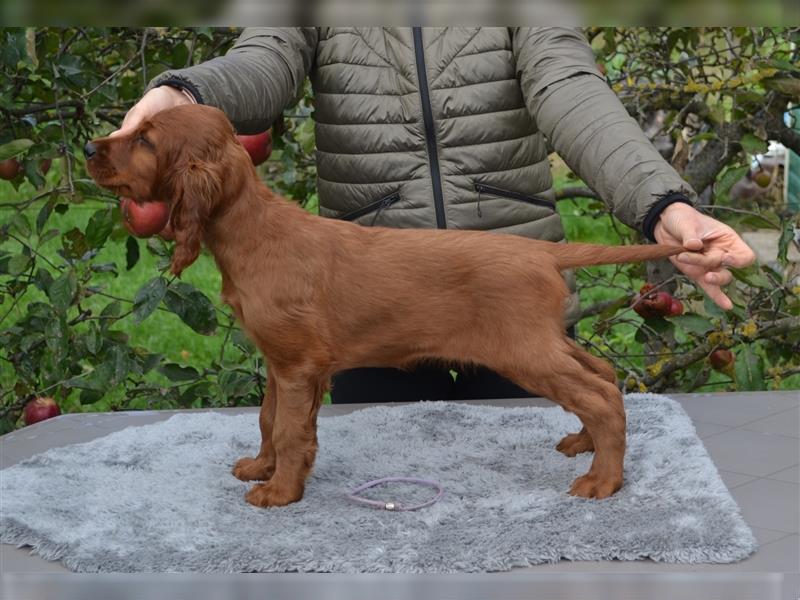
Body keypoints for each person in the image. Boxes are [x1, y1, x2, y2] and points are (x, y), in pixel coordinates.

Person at [114, 27, 755, 404]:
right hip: (365, 297)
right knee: (379, 529)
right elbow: (266, 61)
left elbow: (566, 84)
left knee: (540, 529)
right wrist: (185, 94)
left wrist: (661, 203)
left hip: (501, 279)